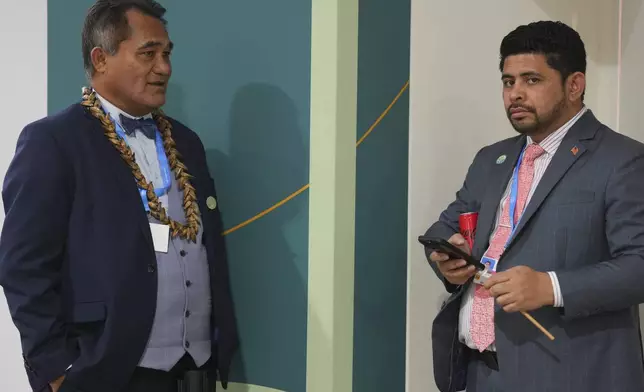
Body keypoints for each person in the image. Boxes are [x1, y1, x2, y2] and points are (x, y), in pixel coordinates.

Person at [0, 1, 238, 391]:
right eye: (148, 53)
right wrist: (55, 369)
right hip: (104, 371)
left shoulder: (187, 143)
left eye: (166, 53)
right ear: (101, 59)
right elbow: (22, 267)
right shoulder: (54, 142)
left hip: (196, 370)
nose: (164, 68)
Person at [424, 20, 644, 392]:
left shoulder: (622, 159)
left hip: (569, 374)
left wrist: (551, 286)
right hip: (481, 370)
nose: (515, 94)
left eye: (532, 80)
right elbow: (445, 227)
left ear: (574, 85)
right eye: (508, 82)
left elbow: (639, 264)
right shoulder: (490, 159)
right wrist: (449, 259)